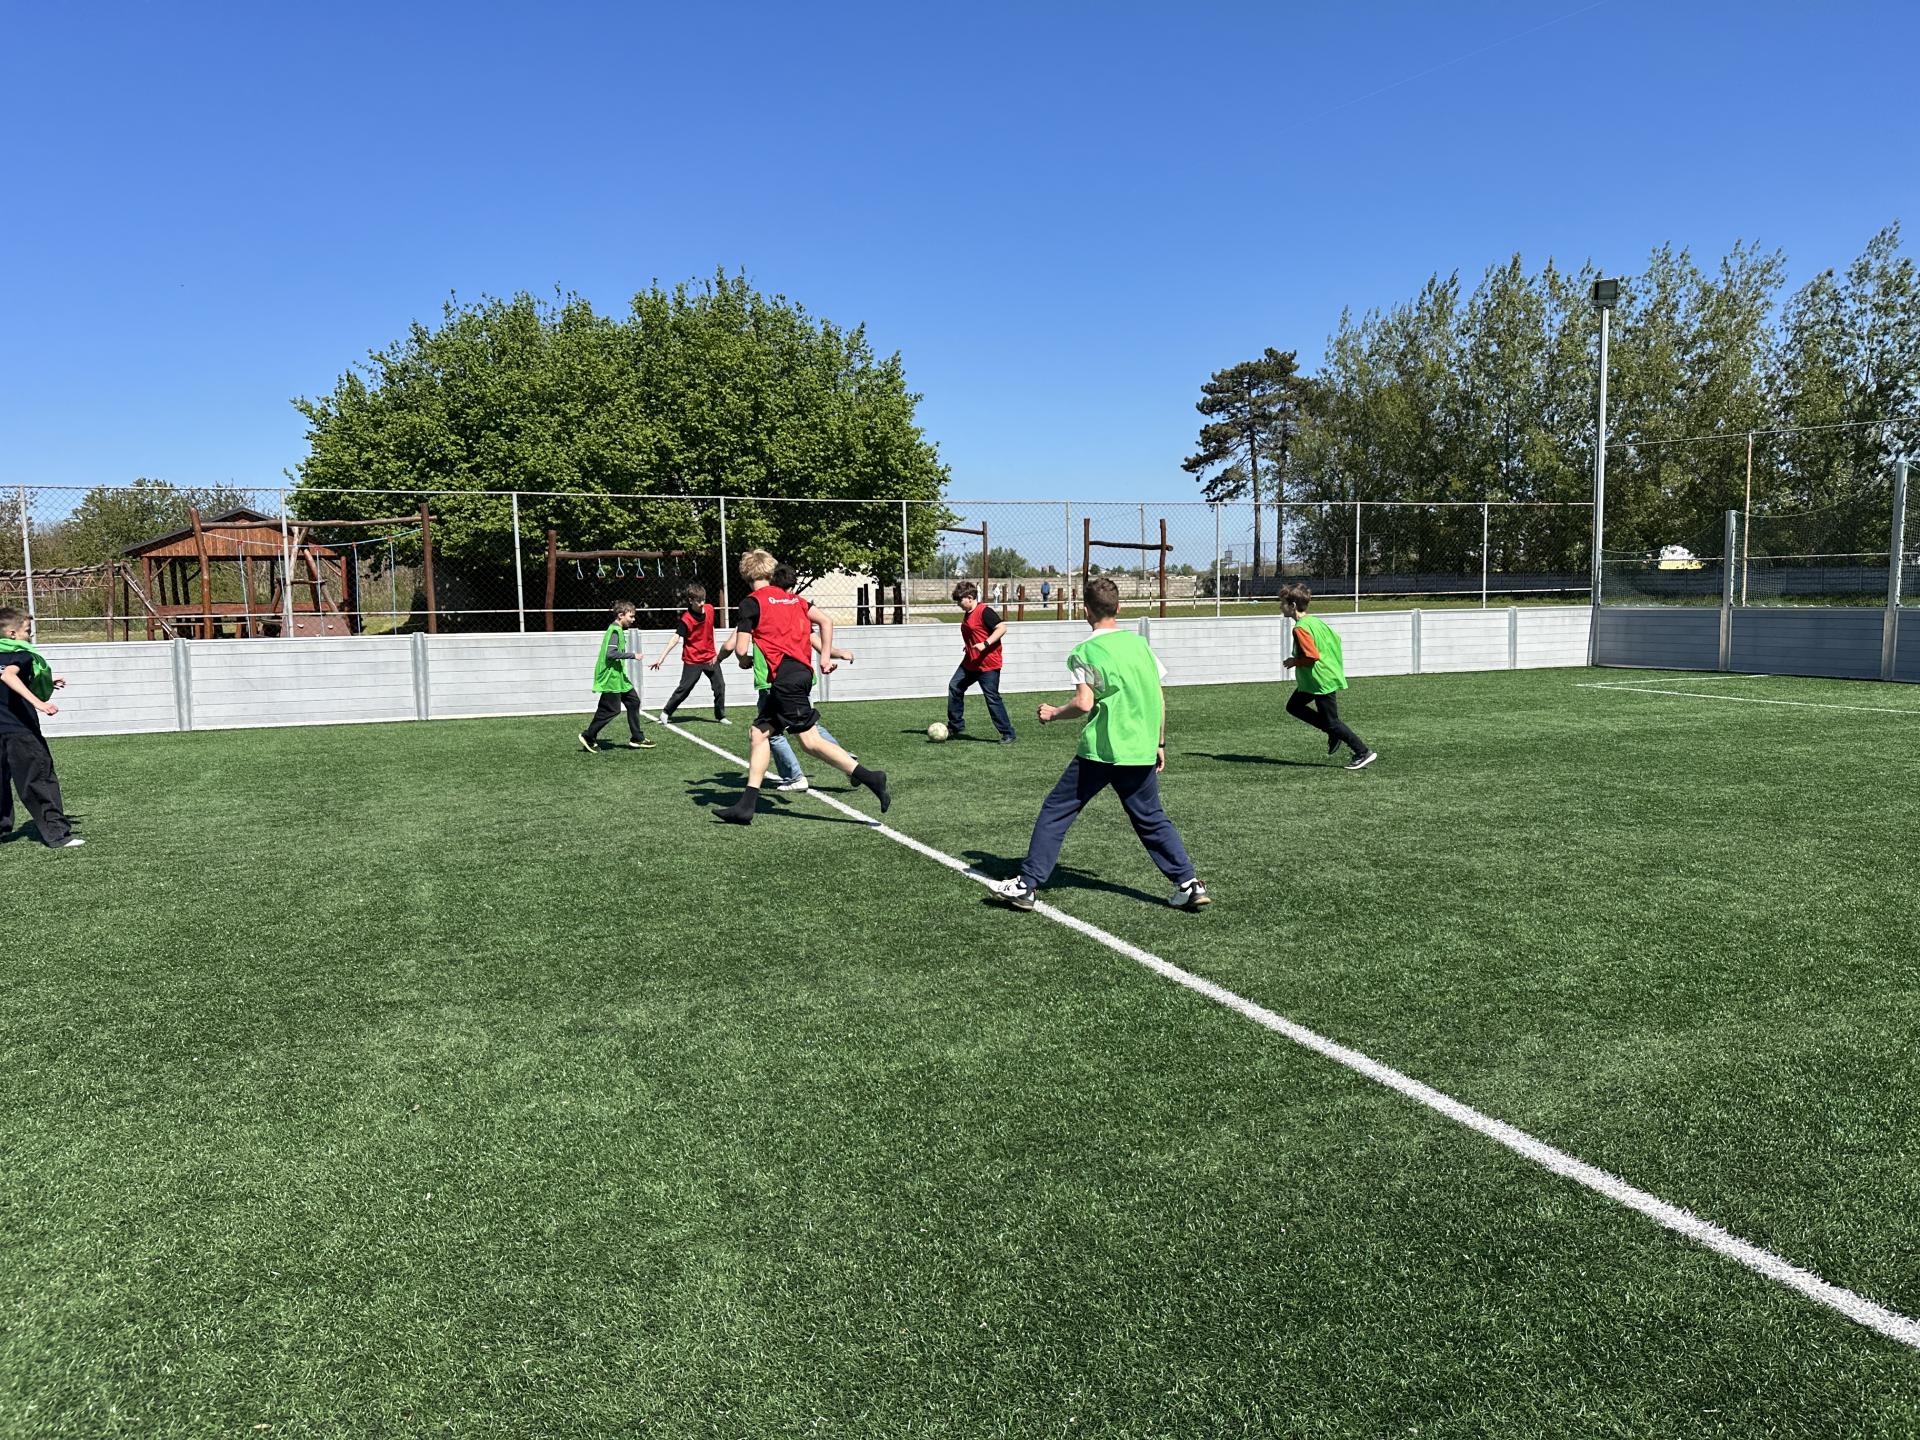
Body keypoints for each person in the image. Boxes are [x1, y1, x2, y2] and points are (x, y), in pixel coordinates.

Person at [989, 578, 1207, 912]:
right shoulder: (1140, 645)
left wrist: (1053, 712)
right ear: (1118, 608)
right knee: (1151, 818)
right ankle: (1189, 883)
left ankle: (1026, 886)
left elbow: (1084, 703)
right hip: (1141, 748)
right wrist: (1159, 742)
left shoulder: (1085, 651)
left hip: (1103, 750)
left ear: (1085, 611)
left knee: (1056, 811)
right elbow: (1159, 697)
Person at [710, 550, 888, 825]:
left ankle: (870, 777)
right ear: (771, 572)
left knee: (810, 741)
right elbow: (826, 621)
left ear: (745, 575)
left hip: (785, 679)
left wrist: (744, 661)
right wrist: (825, 657)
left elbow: (741, 650)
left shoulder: (751, 603)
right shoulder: (795, 600)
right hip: (799, 675)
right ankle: (746, 806)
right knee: (759, 733)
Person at [755, 564, 851, 795]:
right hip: (800, 678)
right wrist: (833, 653)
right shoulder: (796, 608)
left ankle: (795, 777)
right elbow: (815, 636)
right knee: (808, 728)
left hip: (775, 681)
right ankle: (846, 760)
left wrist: (730, 657)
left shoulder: (760, 607)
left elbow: (735, 643)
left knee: (772, 732)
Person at [0, 608, 83, 849]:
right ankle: (57, 834)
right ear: (12, 634)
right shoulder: (22, 655)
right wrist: (40, 703)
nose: (31, 635)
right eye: (27, 631)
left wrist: (45, 681)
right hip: (19, 730)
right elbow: (8, 676)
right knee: (38, 778)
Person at [1280, 584, 1376, 770]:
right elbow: (1336, 640)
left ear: (1292, 606)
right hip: (1316, 679)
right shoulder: (1315, 622)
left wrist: (1294, 661)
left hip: (1319, 680)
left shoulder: (1300, 628)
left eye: (1282, 603)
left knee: (1333, 722)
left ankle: (1362, 752)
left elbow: (1312, 656)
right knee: (1294, 706)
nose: (1280, 607)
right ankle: (1333, 733)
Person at [649, 582, 729, 725]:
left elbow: (710, 628)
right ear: (690, 600)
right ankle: (666, 712)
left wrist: (714, 651)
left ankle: (720, 715)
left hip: (710, 657)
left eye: (703, 599)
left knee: (720, 686)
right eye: (698, 601)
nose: (702, 603)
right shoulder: (686, 619)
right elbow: (676, 638)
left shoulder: (710, 609)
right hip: (693, 659)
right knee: (685, 688)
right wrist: (661, 658)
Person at [578, 601, 653, 751]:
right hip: (611, 678)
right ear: (620, 615)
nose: (633, 619)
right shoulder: (614, 631)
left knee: (633, 702)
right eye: (631, 616)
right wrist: (633, 655)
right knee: (611, 709)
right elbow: (610, 654)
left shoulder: (617, 630)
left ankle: (637, 738)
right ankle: (588, 736)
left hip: (619, 678)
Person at [947, 580, 1015, 744]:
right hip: (970, 662)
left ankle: (1008, 733)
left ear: (970, 598)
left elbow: (1002, 628)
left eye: (960, 600)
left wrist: (985, 644)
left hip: (988, 664)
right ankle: (956, 725)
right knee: (955, 686)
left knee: (992, 697)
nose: (958, 604)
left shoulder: (985, 611)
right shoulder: (968, 613)